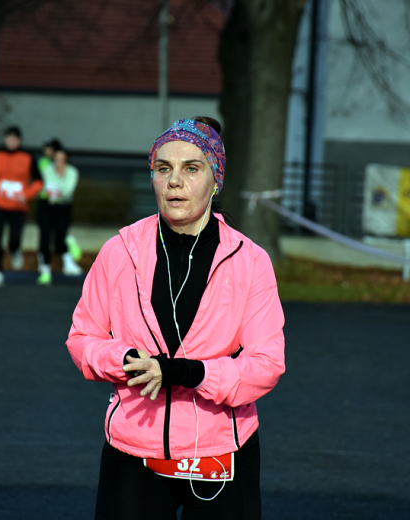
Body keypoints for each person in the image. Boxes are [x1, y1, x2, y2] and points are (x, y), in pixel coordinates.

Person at [66, 117, 285, 520]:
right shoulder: (120, 251)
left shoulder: (250, 261)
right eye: (163, 168)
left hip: (222, 453)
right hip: (134, 452)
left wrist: (186, 372)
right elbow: (82, 339)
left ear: (215, 179)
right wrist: (127, 361)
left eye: (191, 168)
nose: (174, 181)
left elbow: (265, 365)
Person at [0, 125, 43, 287]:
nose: (11, 141)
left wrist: (27, 195)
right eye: (9, 138)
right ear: (5, 139)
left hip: (18, 206)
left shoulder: (28, 157)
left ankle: (15, 250)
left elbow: (39, 181)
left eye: (15, 139)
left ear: (19, 141)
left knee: (14, 238)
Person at [36, 144, 83, 284]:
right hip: (48, 208)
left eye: (62, 159)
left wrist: (54, 191)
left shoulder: (72, 172)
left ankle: (69, 243)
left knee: (59, 242)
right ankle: (45, 271)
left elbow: (67, 191)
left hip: (64, 208)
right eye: (57, 158)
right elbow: (46, 188)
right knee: (44, 238)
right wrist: (54, 191)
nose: (59, 162)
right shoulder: (47, 170)